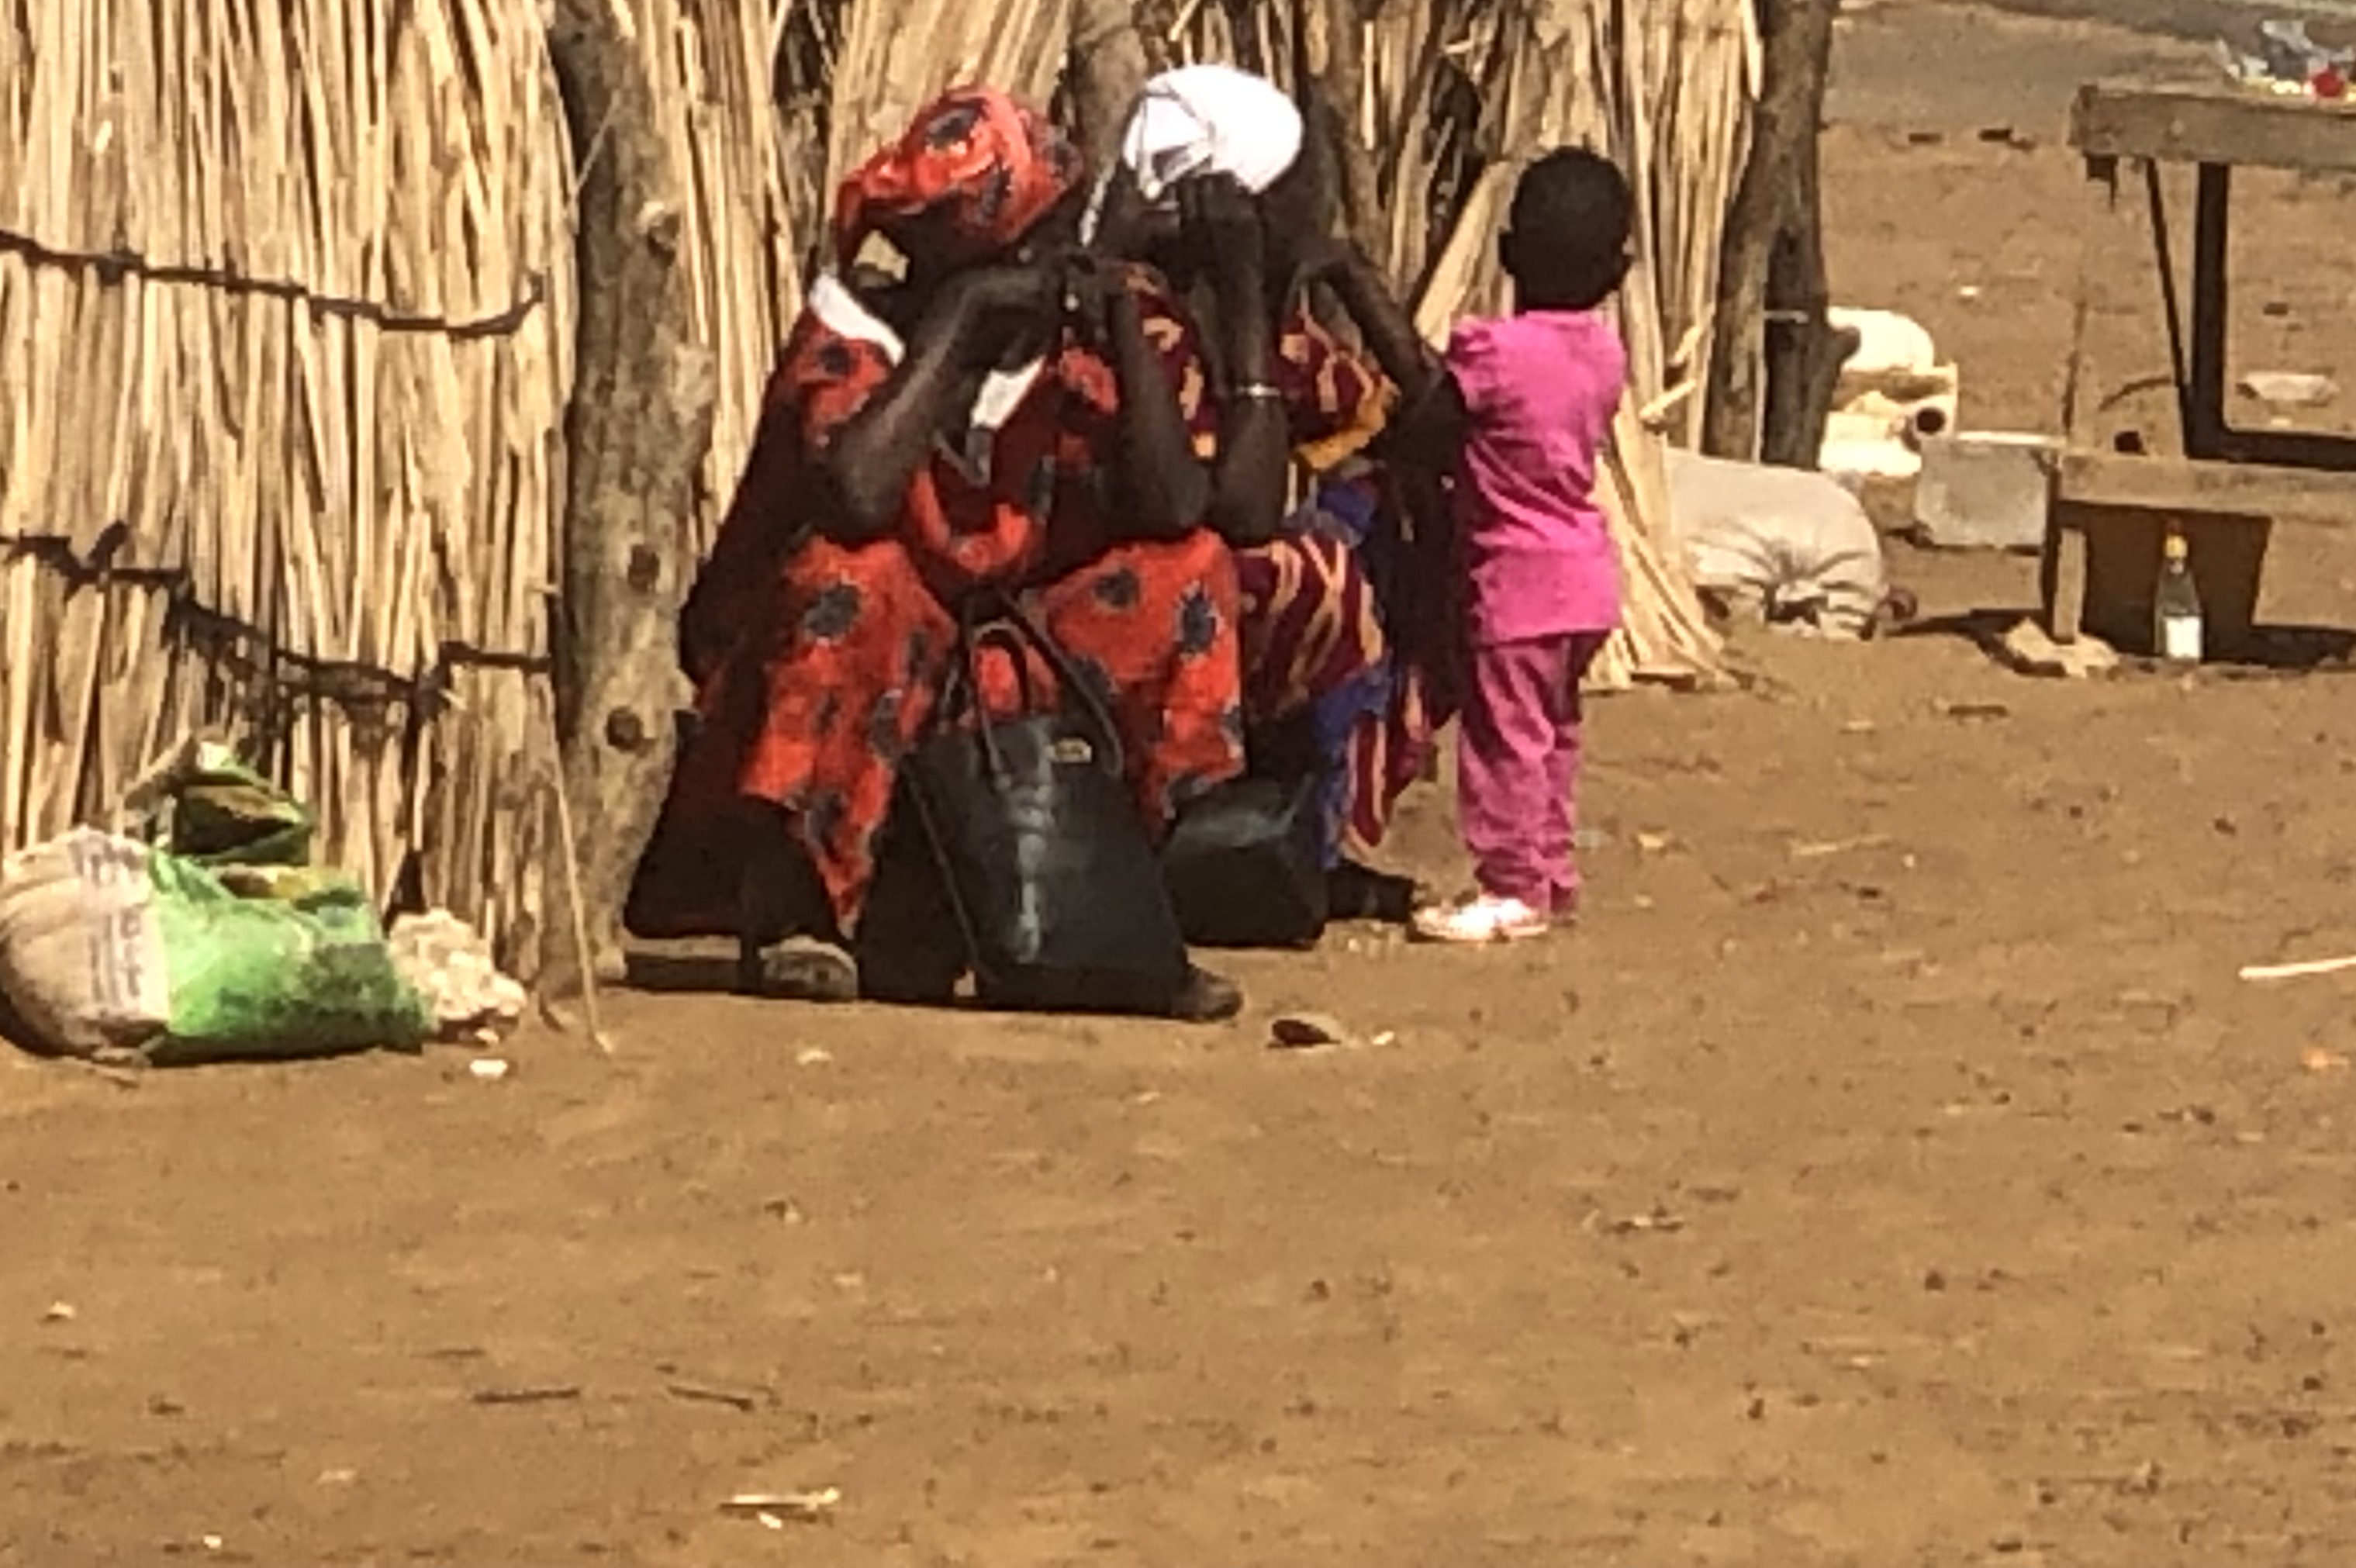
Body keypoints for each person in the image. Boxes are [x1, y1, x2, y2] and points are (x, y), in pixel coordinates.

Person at [626, 85, 1249, 1022]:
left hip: (991, 654)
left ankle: (1110, 904)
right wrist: (959, 326)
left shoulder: (1075, 351)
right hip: (843, 664)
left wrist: (1118, 319)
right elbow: (858, 493)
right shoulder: (851, 337)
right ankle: (804, 907)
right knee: (854, 579)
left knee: (1185, 573)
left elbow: (1174, 505)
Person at [1093, 68, 1450, 883]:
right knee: (1318, 572)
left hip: (1200, 583)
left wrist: (1355, 280)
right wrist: (1250, 300)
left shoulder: (1252, 319)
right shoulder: (1143, 311)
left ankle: (1311, 828)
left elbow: (1433, 434)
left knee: (1399, 511)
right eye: (1292, 190)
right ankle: (1287, 840)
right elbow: (1243, 512)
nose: (1308, 211)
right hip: (1124, 588)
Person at [1397, 146, 1633, 945]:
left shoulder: (1493, 353)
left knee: (1504, 740)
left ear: (1505, 253)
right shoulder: (1604, 354)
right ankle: (1551, 871)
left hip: (1517, 582)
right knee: (1554, 733)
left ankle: (1509, 885)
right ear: (1620, 270)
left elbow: (1431, 425)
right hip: (1587, 578)